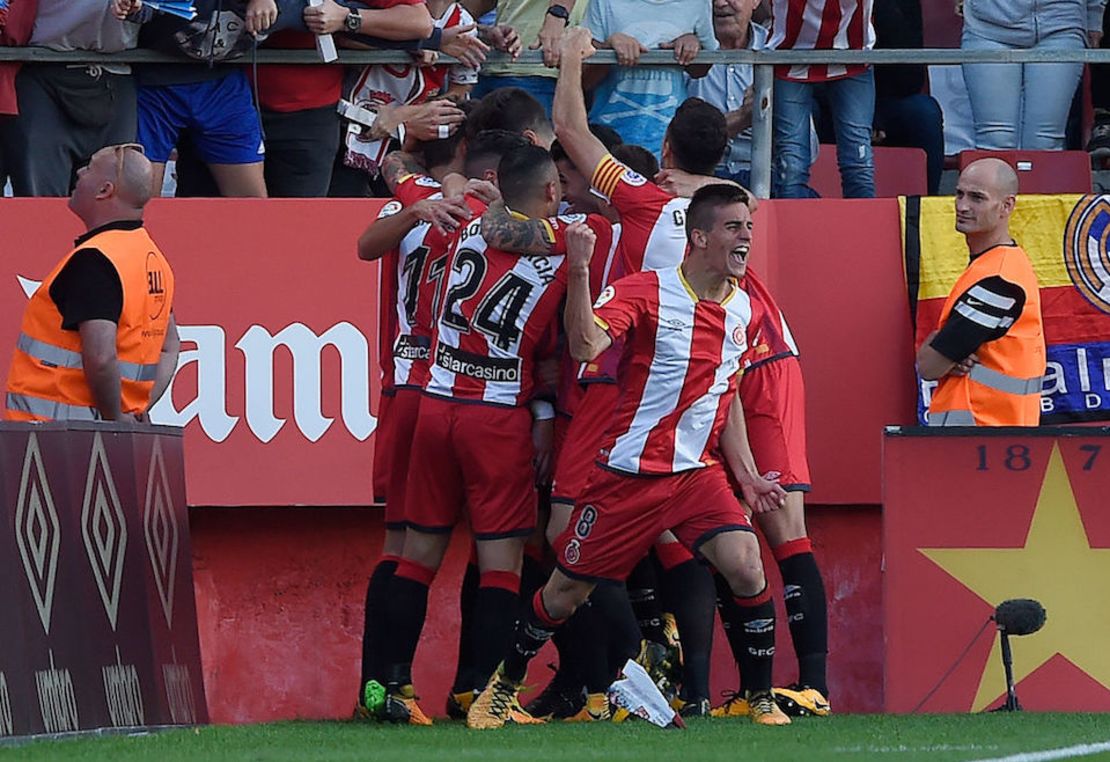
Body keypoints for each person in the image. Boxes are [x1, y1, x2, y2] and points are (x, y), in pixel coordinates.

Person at [467, 185, 792, 730]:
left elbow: (725, 392)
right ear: (700, 237)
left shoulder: (748, 307)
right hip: (629, 476)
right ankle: (503, 687)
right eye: (735, 228)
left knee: (746, 565)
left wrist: (749, 475)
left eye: (749, 229)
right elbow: (585, 347)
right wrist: (577, 270)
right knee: (566, 592)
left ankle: (759, 697)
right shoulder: (645, 291)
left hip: (696, 476)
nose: (746, 240)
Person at [377, 144, 575, 725]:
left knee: (416, 557)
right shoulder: (568, 241)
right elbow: (544, 236)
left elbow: (398, 177)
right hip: (495, 415)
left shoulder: (458, 219)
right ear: (550, 193)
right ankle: (483, 697)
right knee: (500, 567)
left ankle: (393, 689)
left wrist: (453, 188)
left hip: (436, 403)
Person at [5, 144, 179, 423]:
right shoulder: (153, 259)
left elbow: (100, 358)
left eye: (89, 168)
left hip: (58, 438)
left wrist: (115, 422)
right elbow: (170, 347)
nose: (80, 172)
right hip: (91, 435)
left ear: (104, 190)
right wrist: (134, 411)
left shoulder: (95, 261)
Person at [916, 158, 1046, 426]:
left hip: (984, 438)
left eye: (977, 198)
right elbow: (932, 361)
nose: (962, 206)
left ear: (1006, 206)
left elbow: (928, 367)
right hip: (987, 437)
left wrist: (936, 349)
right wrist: (941, 349)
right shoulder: (999, 265)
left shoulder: (998, 280)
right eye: (959, 194)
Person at [3, 1, 139, 196]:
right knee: (40, 206)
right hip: (43, 67)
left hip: (117, 69)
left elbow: (174, 8)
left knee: (112, 202)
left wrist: (143, 8)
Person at [960, 0, 1104, 150]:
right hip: (987, 27)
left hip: (1062, 26)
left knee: (1045, 142)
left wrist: (1094, 16)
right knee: (995, 138)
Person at [768, 0, 875, 198]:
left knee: (858, 161)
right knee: (792, 165)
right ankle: (790, 226)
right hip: (788, 56)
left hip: (854, 56)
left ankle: (864, 226)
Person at [583, 0, 717, 158]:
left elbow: (701, 70)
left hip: (670, 148)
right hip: (608, 144)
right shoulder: (603, 2)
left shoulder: (698, 3)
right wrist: (609, 47)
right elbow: (585, 80)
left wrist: (693, 46)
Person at [462, 0, 588, 114]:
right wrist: (487, 32)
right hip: (488, 70)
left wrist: (557, 16)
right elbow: (467, 11)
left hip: (537, 71)